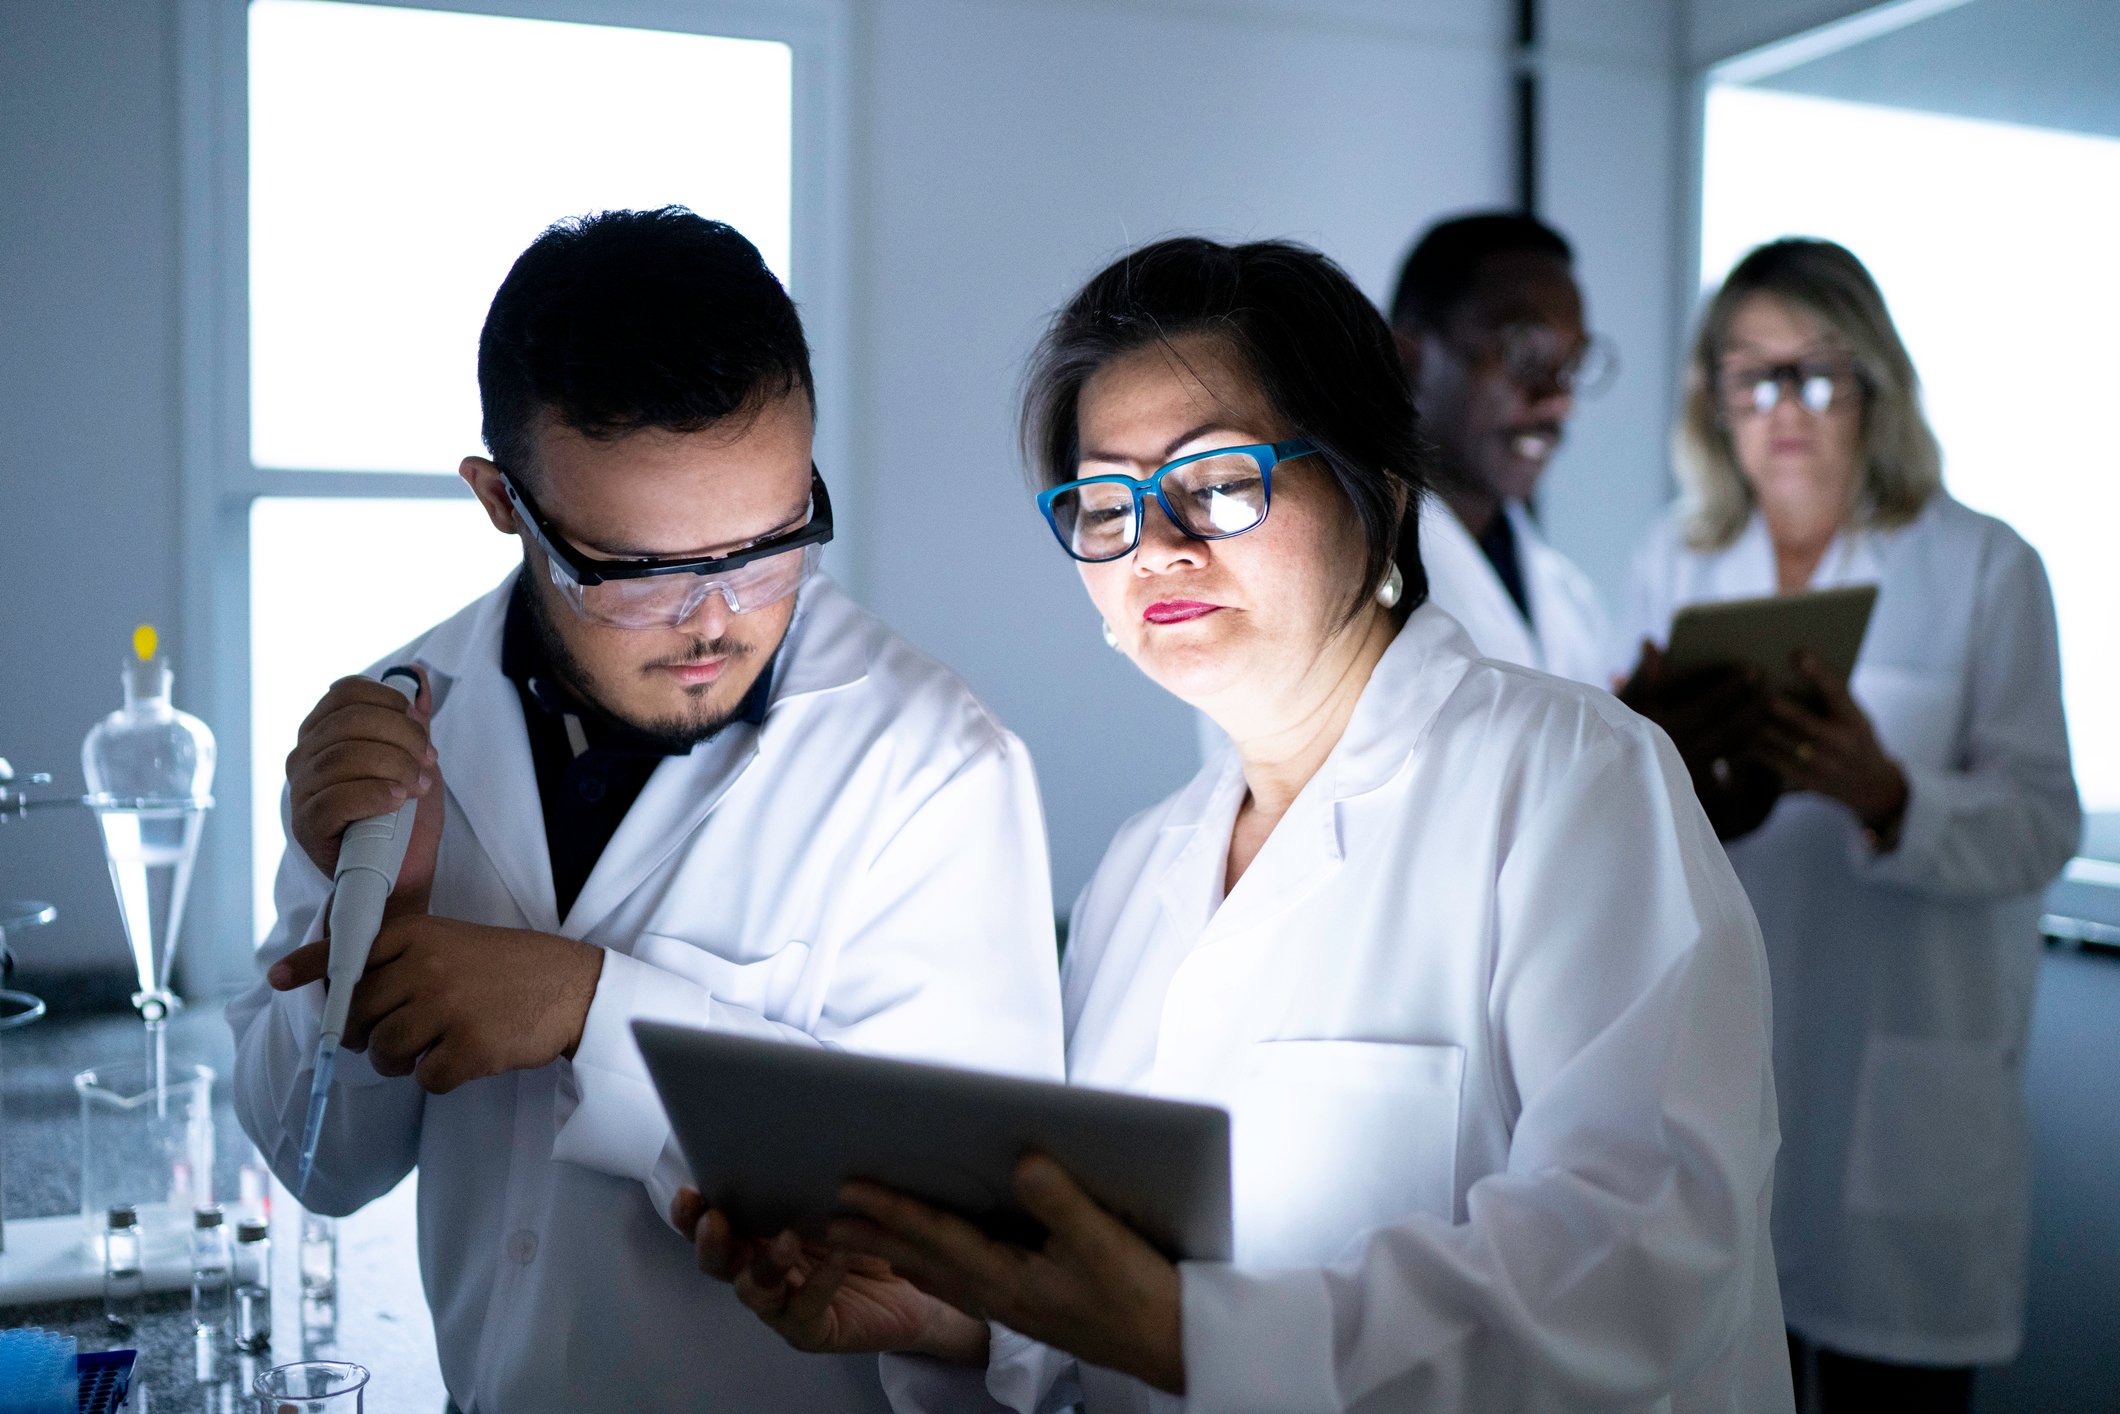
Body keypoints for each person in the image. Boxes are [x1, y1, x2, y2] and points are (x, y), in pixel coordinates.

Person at [675, 236, 1795, 1412]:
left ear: (1378, 481)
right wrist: (968, 1321)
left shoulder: (1571, 779)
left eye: (1215, 482)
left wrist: (1199, 1334)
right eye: (1103, 502)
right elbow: (1125, 1279)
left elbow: (1642, 1267)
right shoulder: (1139, 870)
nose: (1156, 543)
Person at [226, 208, 1063, 1412]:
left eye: (770, 544)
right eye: (642, 572)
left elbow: (977, 1248)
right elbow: (319, 1167)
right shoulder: (393, 729)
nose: (717, 617)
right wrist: (376, 917)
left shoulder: (932, 766)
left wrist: (585, 1009)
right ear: (501, 503)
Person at [1622, 238, 2080, 1412]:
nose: (1782, 407)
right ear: (1710, 395)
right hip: (1725, 1079)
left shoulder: (1982, 565)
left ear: (1873, 385)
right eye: (1751, 374)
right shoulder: (1674, 562)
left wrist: (1890, 794)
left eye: (1816, 373)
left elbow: (2040, 824)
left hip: (1902, 1084)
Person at [1387, 211, 1614, 685]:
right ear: (1410, 358)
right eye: (1525, 352)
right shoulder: (1348, 586)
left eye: (1571, 365)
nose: (1559, 399)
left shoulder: (1570, 598)